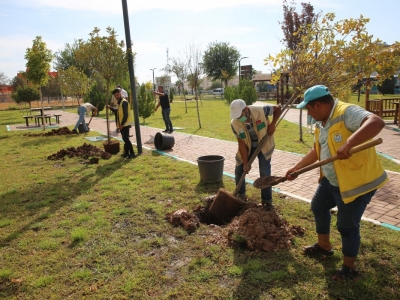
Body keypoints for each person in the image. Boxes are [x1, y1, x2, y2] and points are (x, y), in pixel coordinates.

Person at [285, 85, 388, 280]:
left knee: (347, 226)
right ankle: (324, 246)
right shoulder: (321, 123)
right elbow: (317, 150)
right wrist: (297, 168)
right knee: (318, 206)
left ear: (318, 105)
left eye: (308, 108)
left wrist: (348, 144)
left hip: (356, 183)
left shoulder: (346, 112)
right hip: (332, 180)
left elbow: (376, 122)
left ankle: (350, 269)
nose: (307, 112)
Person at [230, 99, 281, 210]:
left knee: (264, 172)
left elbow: (278, 109)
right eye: (236, 116)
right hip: (248, 147)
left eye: (240, 115)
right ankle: (240, 197)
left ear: (246, 109)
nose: (239, 118)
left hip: (264, 145)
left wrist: (273, 124)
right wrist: (245, 163)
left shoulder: (261, 110)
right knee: (239, 170)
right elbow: (242, 144)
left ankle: (267, 202)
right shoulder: (234, 123)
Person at [106, 88, 136, 159]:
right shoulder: (119, 103)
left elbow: (125, 115)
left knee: (126, 139)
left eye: (117, 94)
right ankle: (126, 153)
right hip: (122, 124)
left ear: (120, 94)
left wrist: (121, 124)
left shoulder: (124, 102)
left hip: (125, 124)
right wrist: (110, 107)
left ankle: (132, 153)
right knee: (124, 138)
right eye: (115, 95)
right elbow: (117, 111)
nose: (117, 96)